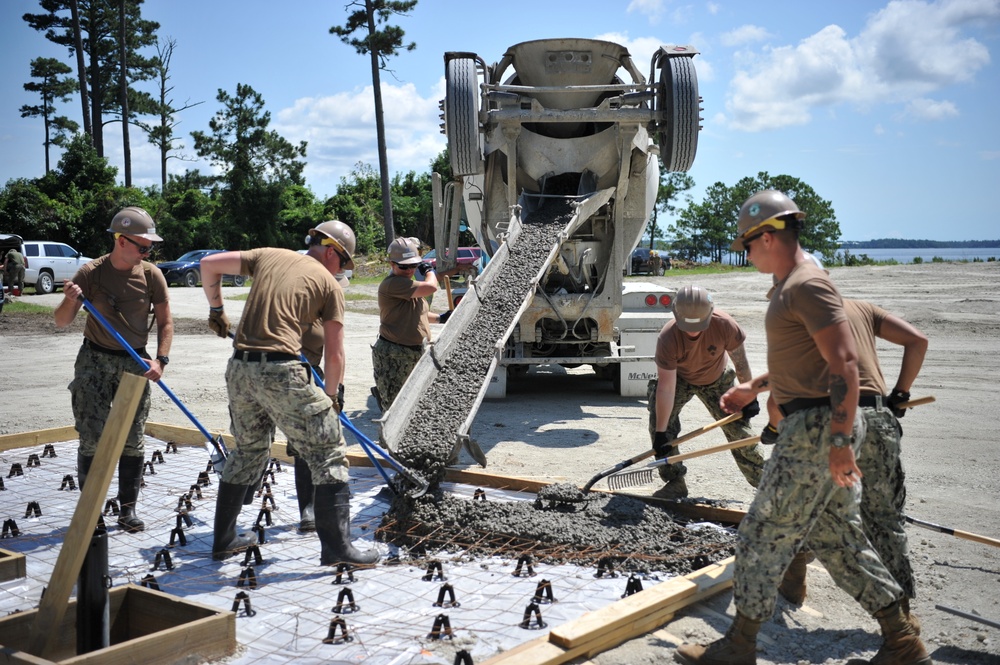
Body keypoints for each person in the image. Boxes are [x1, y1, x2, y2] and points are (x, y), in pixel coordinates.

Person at [674, 190, 930, 665]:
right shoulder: (794, 286)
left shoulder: (805, 285)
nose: (743, 253)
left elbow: (845, 363)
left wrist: (837, 441)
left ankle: (738, 646)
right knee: (836, 536)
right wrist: (754, 388)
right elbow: (809, 364)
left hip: (814, 429)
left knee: (759, 532)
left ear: (768, 236)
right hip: (815, 423)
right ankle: (901, 639)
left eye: (746, 245)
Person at [199, 220, 378, 566]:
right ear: (331, 252)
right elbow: (335, 353)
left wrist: (217, 310)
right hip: (282, 369)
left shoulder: (269, 255)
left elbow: (209, 265)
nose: (342, 271)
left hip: (240, 368)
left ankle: (223, 540)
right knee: (328, 451)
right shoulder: (329, 284)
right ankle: (339, 550)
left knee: (249, 450)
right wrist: (332, 398)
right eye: (343, 262)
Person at [773, 295, 928, 631]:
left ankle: (795, 575)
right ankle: (902, 615)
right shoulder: (862, 308)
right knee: (885, 519)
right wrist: (900, 393)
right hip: (877, 419)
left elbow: (779, 393)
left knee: (806, 505)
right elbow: (917, 341)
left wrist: (774, 428)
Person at [54, 206, 173, 533]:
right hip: (94, 360)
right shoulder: (90, 274)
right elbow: (62, 321)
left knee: (133, 438)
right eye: (143, 246)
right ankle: (91, 514)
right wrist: (70, 300)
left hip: (135, 362)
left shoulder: (151, 275)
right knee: (91, 437)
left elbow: (165, 322)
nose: (147, 252)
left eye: (149, 247)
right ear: (121, 240)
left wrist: (160, 360)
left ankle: (127, 510)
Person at [646, 285, 764, 499]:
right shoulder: (668, 338)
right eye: (688, 326)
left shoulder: (726, 325)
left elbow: (742, 364)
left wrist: (749, 396)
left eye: (699, 325)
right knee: (659, 425)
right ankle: (675, 482)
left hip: (717, 378)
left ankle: (768, 487)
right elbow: (666, 387)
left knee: (740, 432)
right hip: (679, 379)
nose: (693, 331)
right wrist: (662, 432)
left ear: (710, 314)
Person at [371, 237, 451, 412]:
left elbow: (418, 313)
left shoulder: (409, 285)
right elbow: (431, 287)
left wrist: (440, 318)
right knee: (395, 409)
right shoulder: (393, 284)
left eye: (413, 266)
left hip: (414, 352)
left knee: (415, 405)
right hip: (395, 355)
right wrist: (429, 270)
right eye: (404, 266)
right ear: (392, 264)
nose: (409, 270)